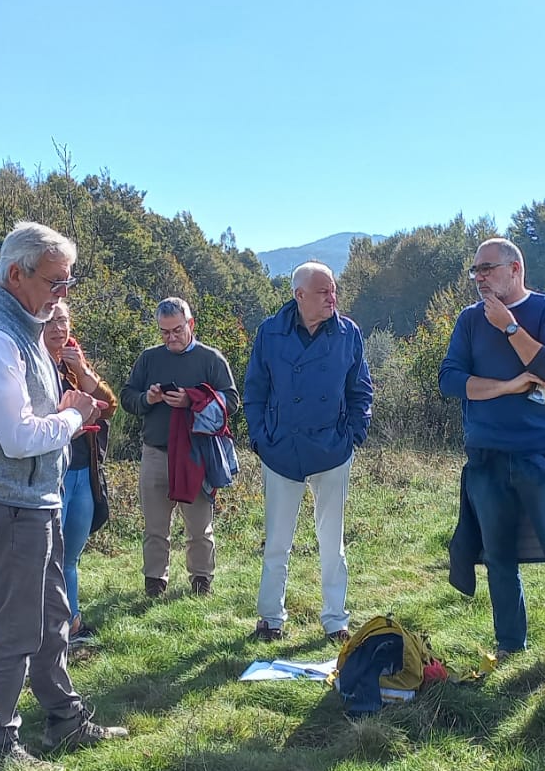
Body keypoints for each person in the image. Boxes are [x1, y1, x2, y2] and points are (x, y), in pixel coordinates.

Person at [0, 221, 128, 771]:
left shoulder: (28, 325)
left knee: (52, 614)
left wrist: (66, 409)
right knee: (15, 627)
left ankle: (65, 720)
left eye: (68, 282)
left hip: (36, 499)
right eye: (55, 283)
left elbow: (31, 425)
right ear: (15, 274)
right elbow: (18, 436)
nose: (63, 295)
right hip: (8, 505)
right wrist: (74, 415)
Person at [439, 237, 545, 668]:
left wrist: (510, 327)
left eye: (487, 269)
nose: (479, 278)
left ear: (515, 269)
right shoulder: (469, 320)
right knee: (498, 559)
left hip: (541, 457)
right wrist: (509, 387)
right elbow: (451, 381)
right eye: (475, 270)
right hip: (486, 458)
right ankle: (510, 647)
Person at [244, 262, 373, 643]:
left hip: (332, 451)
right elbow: (255, 390)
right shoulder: (270, 332)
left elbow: (360, 390)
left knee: (332, 542)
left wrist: (353, 435)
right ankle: (271, 619)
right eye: (322, 292)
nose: (331, 297)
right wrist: (260, 438)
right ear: (299, 296)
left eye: (333, 290)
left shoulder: (349, 333)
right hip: (281, 450)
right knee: (277, 541)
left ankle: (336, 620)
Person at [121, 297, 238, 598]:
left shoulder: (211, 360)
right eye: (164, 332)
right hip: (156, 452)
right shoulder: (149, 359)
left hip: (195, 453)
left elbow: (233, 401)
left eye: (177, 330)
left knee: (199, 526)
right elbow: (127, 397)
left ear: (191, 324)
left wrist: (193, 401)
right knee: (155, 526)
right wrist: (148, 398)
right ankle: (154, 583)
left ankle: (201, 582)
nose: (171, 337)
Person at [41, 301, 117, 645]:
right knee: (47, 557)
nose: (59, 328)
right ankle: (47, 630)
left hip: (83, 476)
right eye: (52, 321)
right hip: (51, 476)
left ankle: (72, 624)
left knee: (70, 555)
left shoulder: (74, 364)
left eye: (64, 321)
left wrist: (83, 372)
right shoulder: (34, 365)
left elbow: (108, 407)